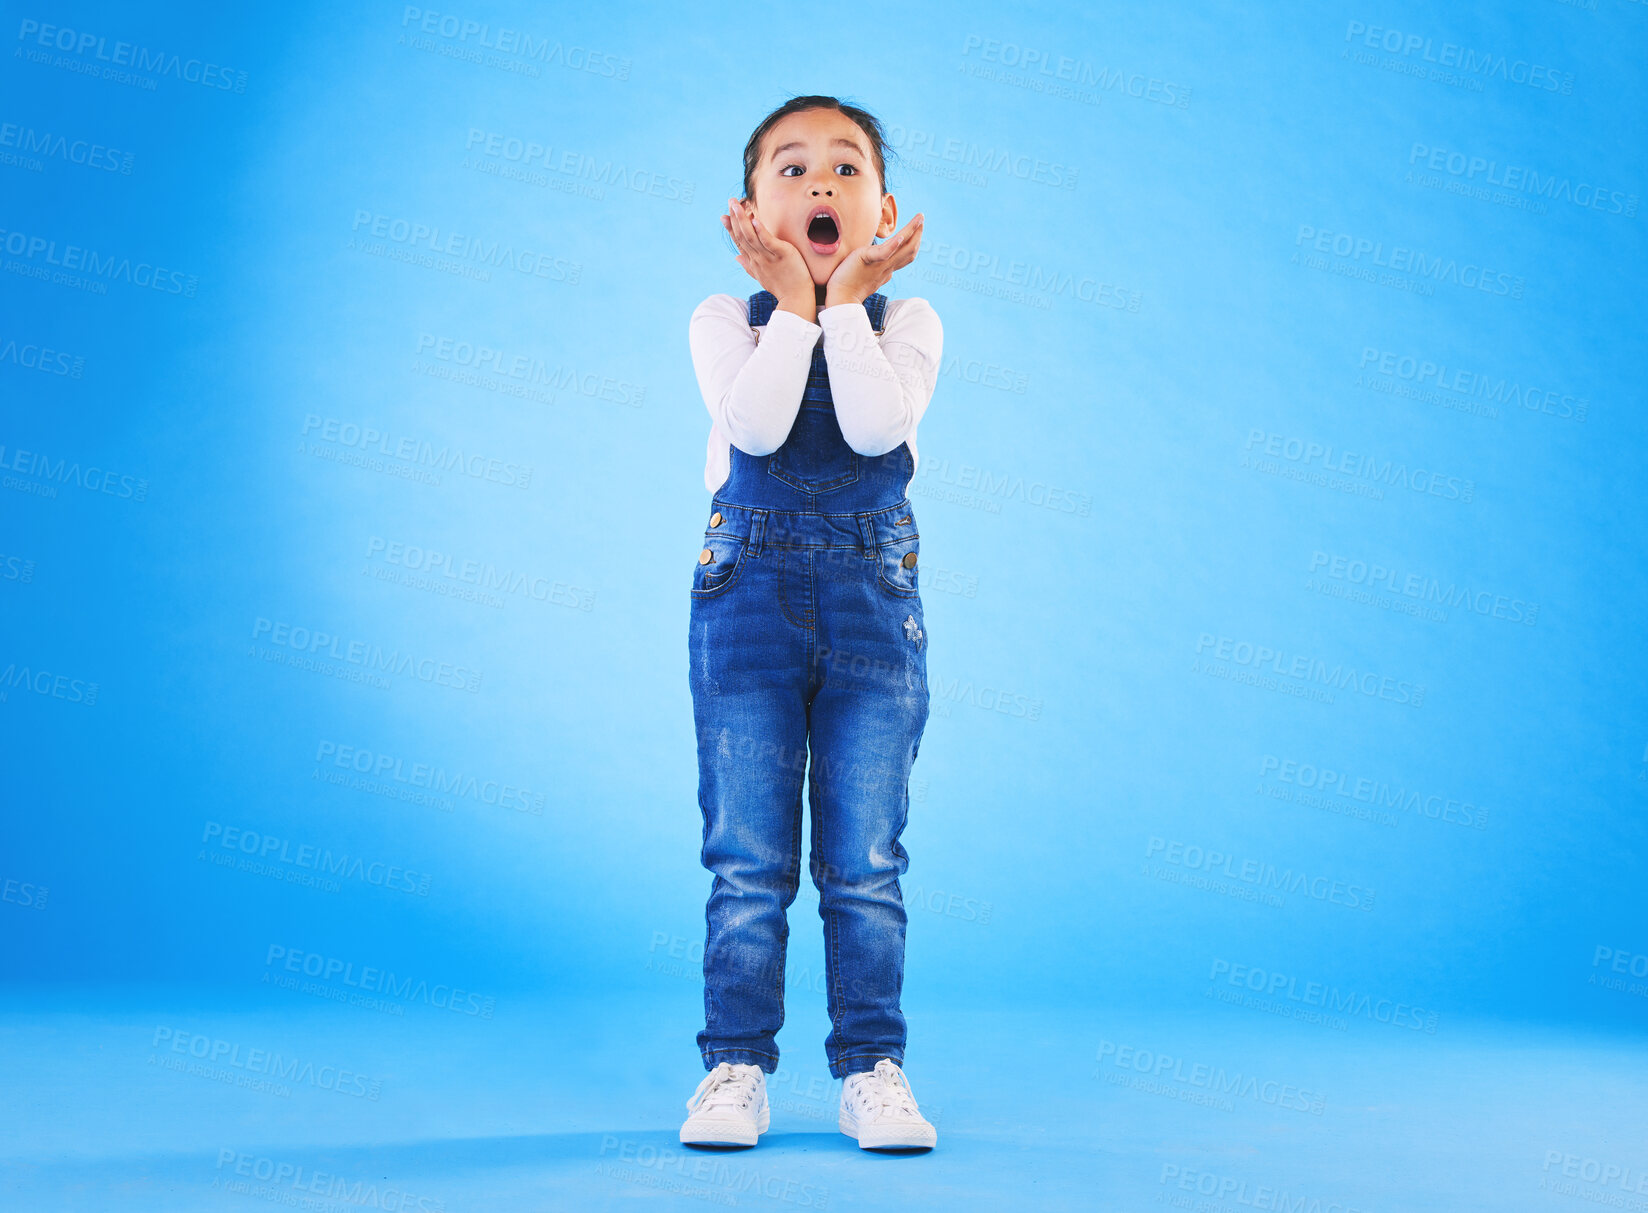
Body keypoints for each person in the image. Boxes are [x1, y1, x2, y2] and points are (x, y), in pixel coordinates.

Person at [679, 95, 943, 1151]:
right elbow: (756, 422)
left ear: (882, 213)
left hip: (873, 610)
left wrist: (842, 304)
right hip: (745, 606)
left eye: (845, 168)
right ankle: (734, 1066)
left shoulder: (908, 324)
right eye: (790, 169)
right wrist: (793, 302)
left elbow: (878, 427)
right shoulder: (721, 319)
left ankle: (871, 1067)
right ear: (749, 210)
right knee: (747, 856)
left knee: (864, 856)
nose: (819, 183)